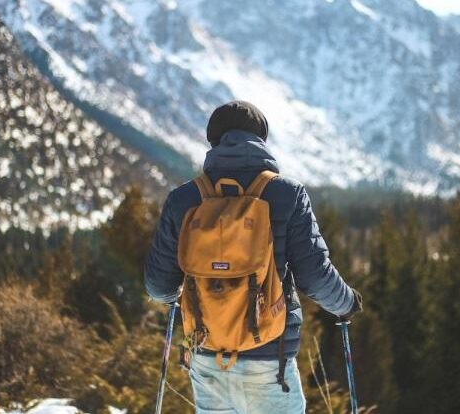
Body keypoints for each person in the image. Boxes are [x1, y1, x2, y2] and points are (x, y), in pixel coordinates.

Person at [145, 100, 363, 413]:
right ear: (261, 139)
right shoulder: (287, 194)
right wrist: (346, 304)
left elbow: (158, 287)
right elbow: (314, 275)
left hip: (207, 356)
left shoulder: (184, 199)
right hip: (269, 357)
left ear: (213, 141)